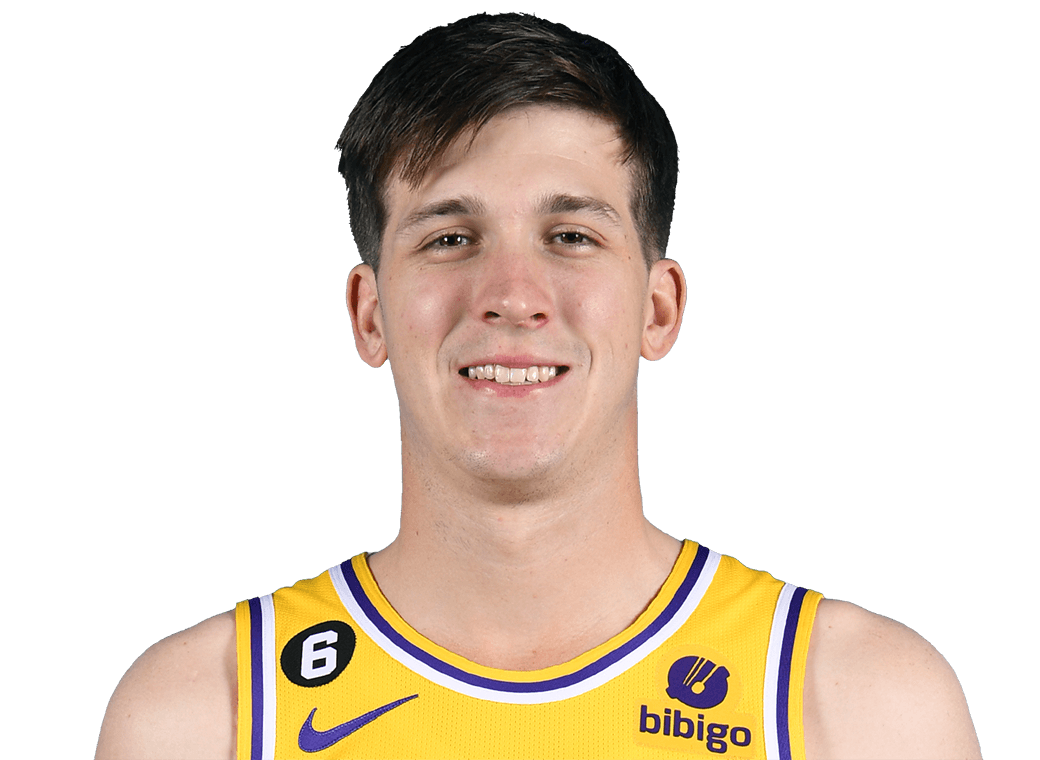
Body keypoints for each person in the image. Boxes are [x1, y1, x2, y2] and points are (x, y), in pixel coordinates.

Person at [96, 13, 981, 759]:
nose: (512, 295)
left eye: (571, 236)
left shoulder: (862, 707)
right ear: (369, 316)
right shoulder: (204, 715)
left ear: (660, 309)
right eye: (449, 238)